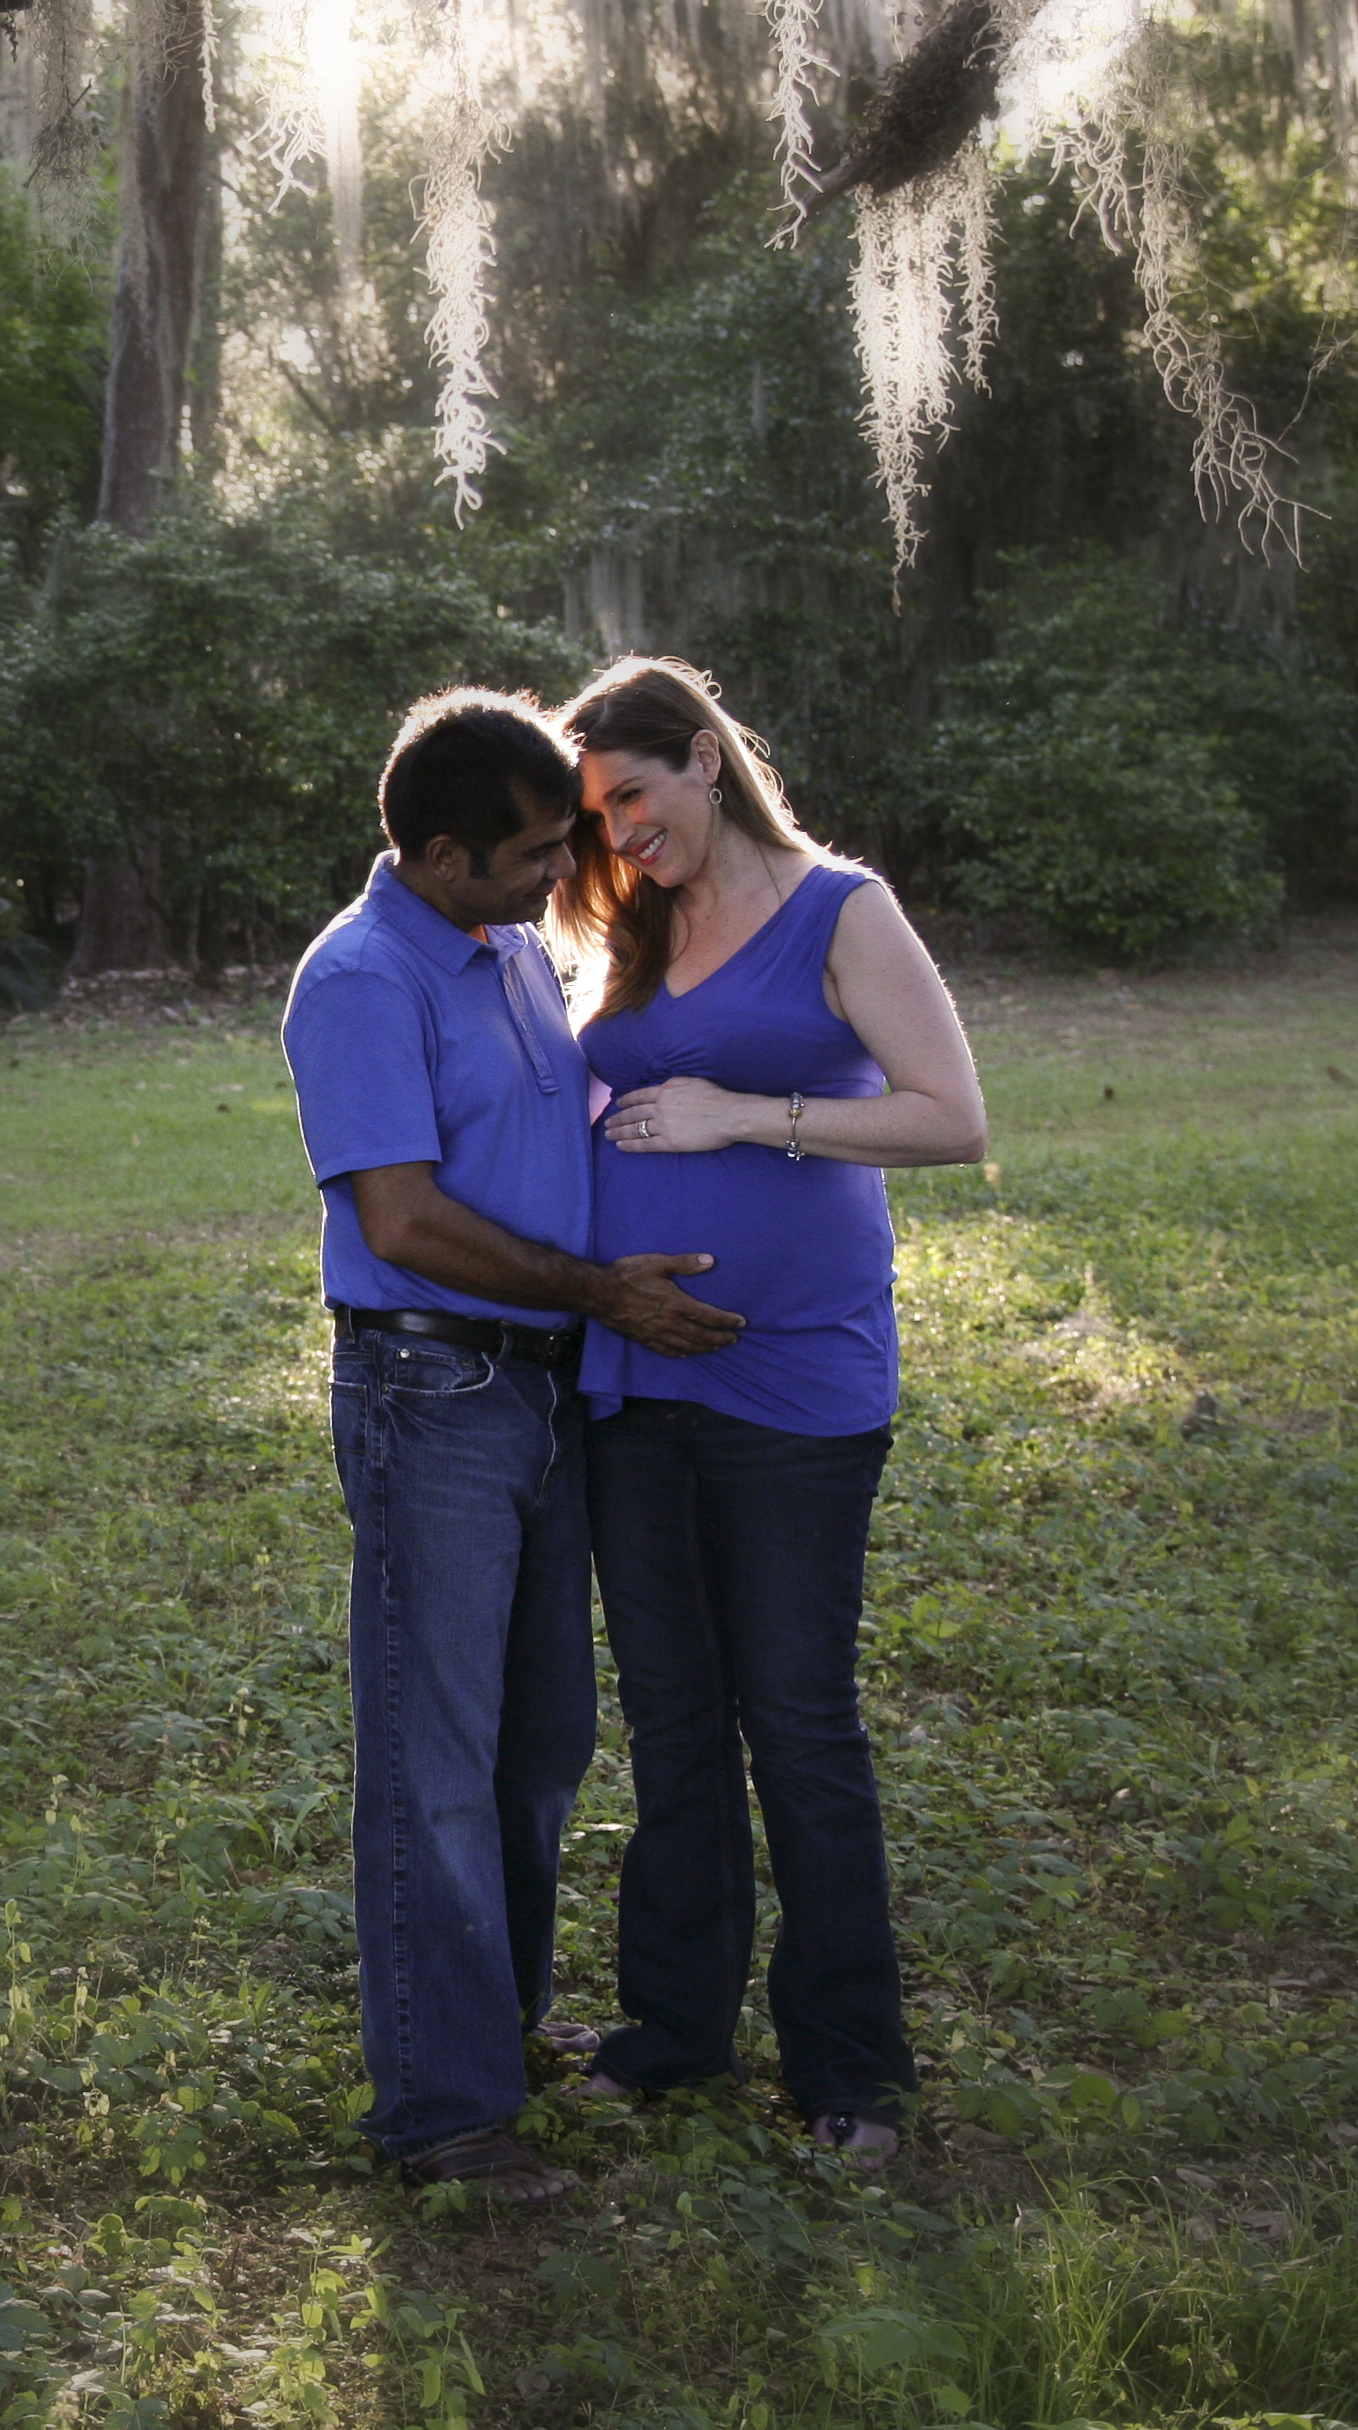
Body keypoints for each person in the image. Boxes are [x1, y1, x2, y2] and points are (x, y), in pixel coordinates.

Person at [280, 687, 745, 2205]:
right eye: (536, 854)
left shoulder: (509, 953)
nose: (566, 875)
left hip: (552, 1390)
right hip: (436, 1397)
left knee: (539, 1747)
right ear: (434, 851)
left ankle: (501, 2023)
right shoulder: (361, 980)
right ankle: (444, 2114)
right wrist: (595, 1291)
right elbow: (401, 1219)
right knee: (433, 1757)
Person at [548, 656, 987, 2171]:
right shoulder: (629, 922)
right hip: (631, 1382)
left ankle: (853, 2069)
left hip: (793, 1381)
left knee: (796, 1723)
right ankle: (674, 2037)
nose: (618, 834)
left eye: (632, 798)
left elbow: (953, 1116)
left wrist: (746, 1117)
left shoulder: (838, 910)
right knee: (673, 1726)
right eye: (596, 813)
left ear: (705, 763)